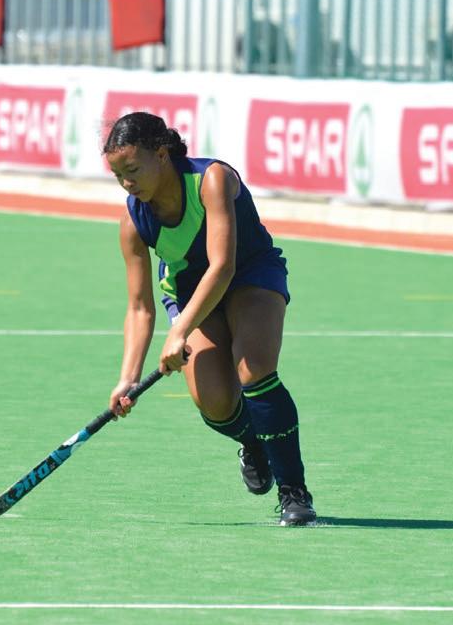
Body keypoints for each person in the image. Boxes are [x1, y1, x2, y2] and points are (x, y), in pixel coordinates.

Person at [103, 111, 316, 526]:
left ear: (161, 154)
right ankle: (255, 442)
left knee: (254, 370)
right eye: (118, 176)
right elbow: (140, 307)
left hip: (250, 274)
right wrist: (128, 378)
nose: (127, 184)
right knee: (215, 403)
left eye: (133, 170)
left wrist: (179, 332)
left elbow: (222, 266)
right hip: (188, 290)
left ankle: (294, 493)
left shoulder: (211, 180)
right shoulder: (133, 222)